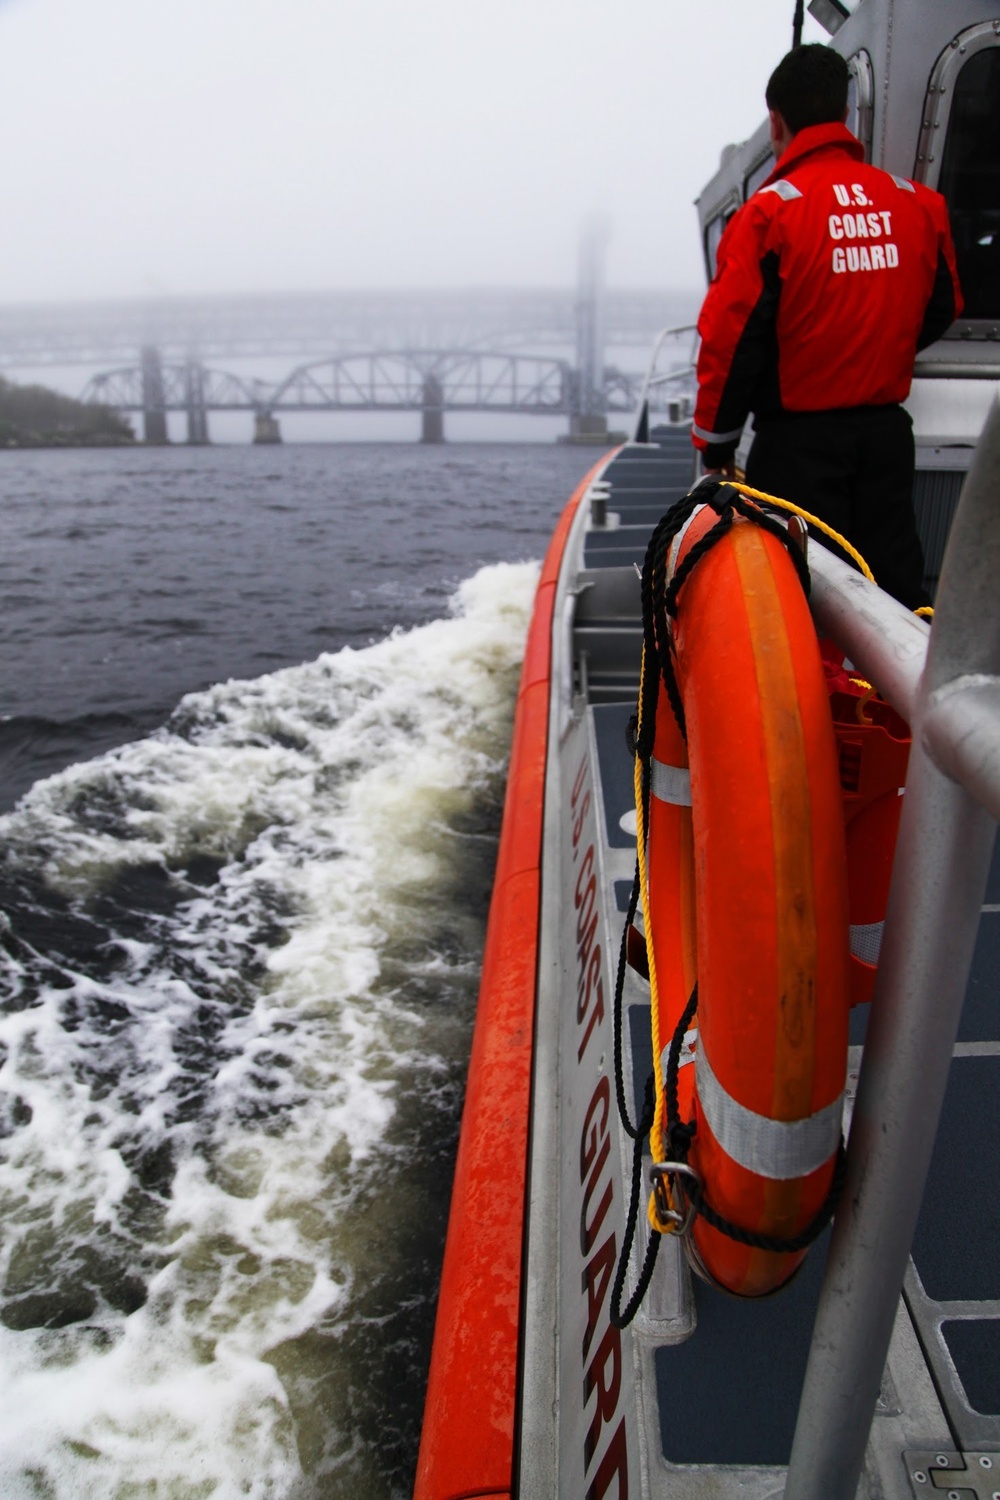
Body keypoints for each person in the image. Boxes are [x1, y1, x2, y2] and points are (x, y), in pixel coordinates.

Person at [692, 44, 962, 608]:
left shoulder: (768, 214)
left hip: (797, 448)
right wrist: (876, 346)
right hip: (887, 439)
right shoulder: (918, 204)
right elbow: (944, 306)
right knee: (894, 585)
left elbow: (733, 340)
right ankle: (890, 694)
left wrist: (716, 445)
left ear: (777, 120)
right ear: (841, 111)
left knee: (793, 593)